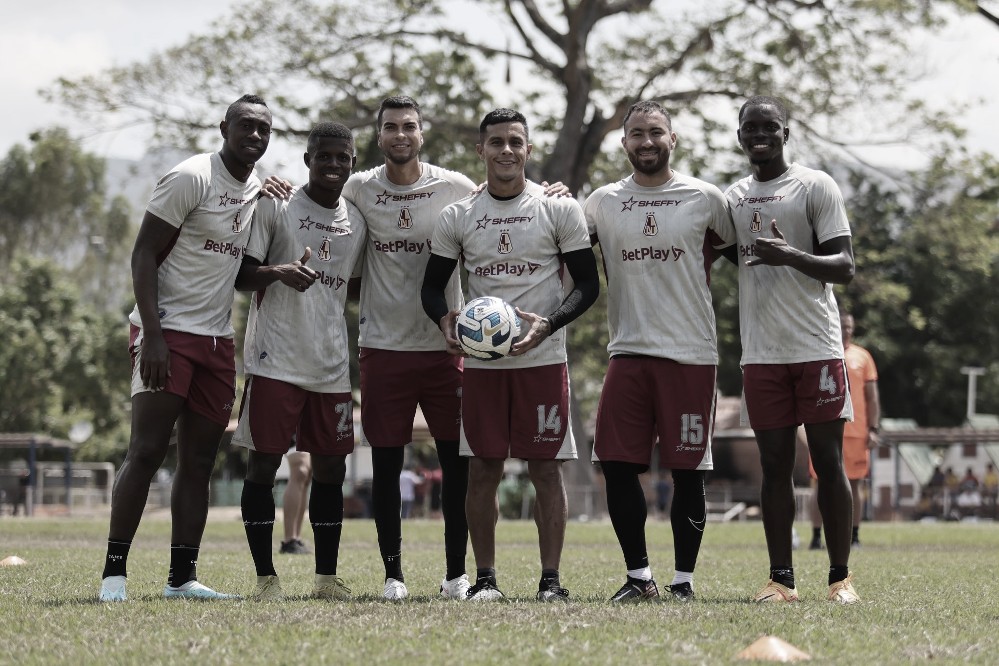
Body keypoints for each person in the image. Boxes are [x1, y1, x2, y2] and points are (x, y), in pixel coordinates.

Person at [99, 94, 273, 602]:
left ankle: (182, 578)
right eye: (246, 126)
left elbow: (241, 273)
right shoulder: (191, 176)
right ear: (224, 128)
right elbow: (143, 254)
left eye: (264, 129)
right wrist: (152, 334)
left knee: (199, 461)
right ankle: (114, 574)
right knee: (148, 451)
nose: (255, 136)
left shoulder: (259, 188)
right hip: (166, 333)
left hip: (218, 341)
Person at [421, 108, 600, 601]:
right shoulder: (459, 216)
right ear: (480, 150)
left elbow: (587, 284)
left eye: (514, 141)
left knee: (546, 469)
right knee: (484, 469)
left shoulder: (557, 209)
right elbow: (433, 288)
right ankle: (486, 579)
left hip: (543, 361)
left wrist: (550, 325)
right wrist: (445, 320)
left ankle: (551, 581)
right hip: (483, 366)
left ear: (527, 148)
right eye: (495, 142)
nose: (505, 150)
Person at [583, 100, 735, 603]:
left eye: (656, 133)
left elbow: (746, 257)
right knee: (616, 463)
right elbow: (560, 239)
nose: (646, 142)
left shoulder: (705, 197)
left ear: (673, 140)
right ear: (623, 143)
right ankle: (639, 576)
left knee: (688, 470)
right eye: (636, 134)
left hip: (691, 353)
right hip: (627, 350)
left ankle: (683, 583)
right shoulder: (601, 202)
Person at [723, 95, 860, 604]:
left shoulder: (815, 185)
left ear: (786, 132)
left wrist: (791, 256)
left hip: (817, 347)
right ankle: (781, 580)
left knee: (827, 460)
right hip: (761, 353)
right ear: (740, 136)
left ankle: (840, 578)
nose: (760, 135)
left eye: (769, 126)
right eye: (750, 128)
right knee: (774, 463)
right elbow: (714, 248)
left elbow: (844, 266)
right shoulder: (732, 197)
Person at [233, 122, 366, 601]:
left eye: (342, 157)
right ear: (307, 159)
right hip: (275, 360)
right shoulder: (277, 204)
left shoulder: (357, 219)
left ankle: (326, 579)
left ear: (352, 163)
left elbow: (350, 286)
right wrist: (279, 272)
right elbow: (242, 276)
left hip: (330, 365)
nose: (333, 165)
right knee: (264, 466)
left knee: (332, 470)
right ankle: (266, 578)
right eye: (323, 156)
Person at [809, 312, 881, 549]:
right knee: (819, 482)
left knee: (855, 483)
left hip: (856, 430)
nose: (846, 330)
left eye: (849, 326)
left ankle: (855, 535)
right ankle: (817, 536)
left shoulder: (863, 357)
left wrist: (873, 427)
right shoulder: (819, 350)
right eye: (841, 326)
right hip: (824, 428)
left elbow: (871, 398)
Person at [280, 448, 312, 554]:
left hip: (311, 430)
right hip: (291, 430)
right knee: (300, 469)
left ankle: (296, 539)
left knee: (307, 473)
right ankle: (289, 540)